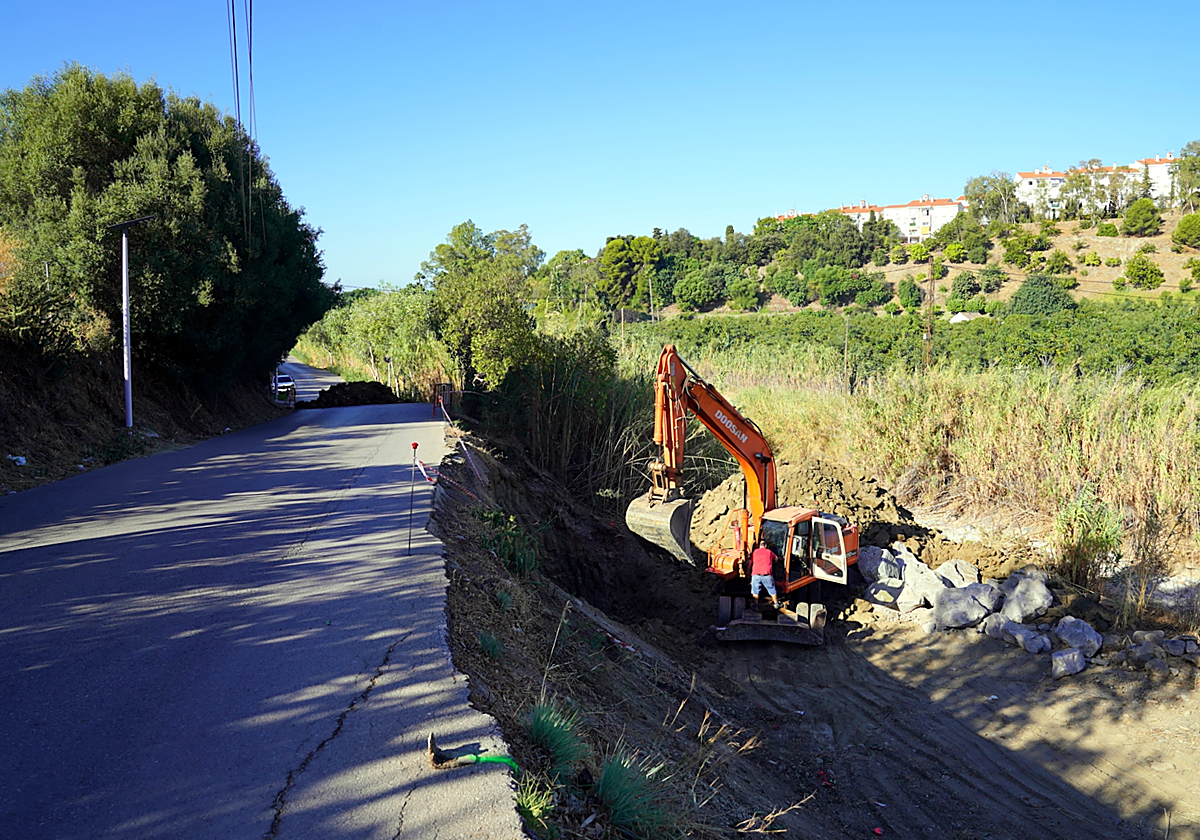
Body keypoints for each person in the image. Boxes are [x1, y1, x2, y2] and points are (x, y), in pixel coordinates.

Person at [749, 542, 781, 610]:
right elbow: (776, 559)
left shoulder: (755, 551)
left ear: (759, 546)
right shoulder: (769, 552)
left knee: (755, 591)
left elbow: (751, 560)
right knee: (772, 589)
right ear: (765, 545)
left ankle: (755, 605)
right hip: (767, 574)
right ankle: (776, 604)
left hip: (756, 574)